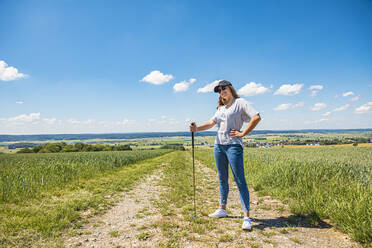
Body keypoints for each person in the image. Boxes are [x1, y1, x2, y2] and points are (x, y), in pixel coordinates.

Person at [189, 80, 261, 230]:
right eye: (219, 90)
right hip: (218, 146)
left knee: (239, 180)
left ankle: (246, 217)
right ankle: (222, 209)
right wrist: (196, 129)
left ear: (231, 89)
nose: (222, 91)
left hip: (234, 146)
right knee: (222, 178)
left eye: (224, 88)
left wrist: (243, 133)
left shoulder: (240, 103)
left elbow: (256, 117)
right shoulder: (221, 108)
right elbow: (211, 123)